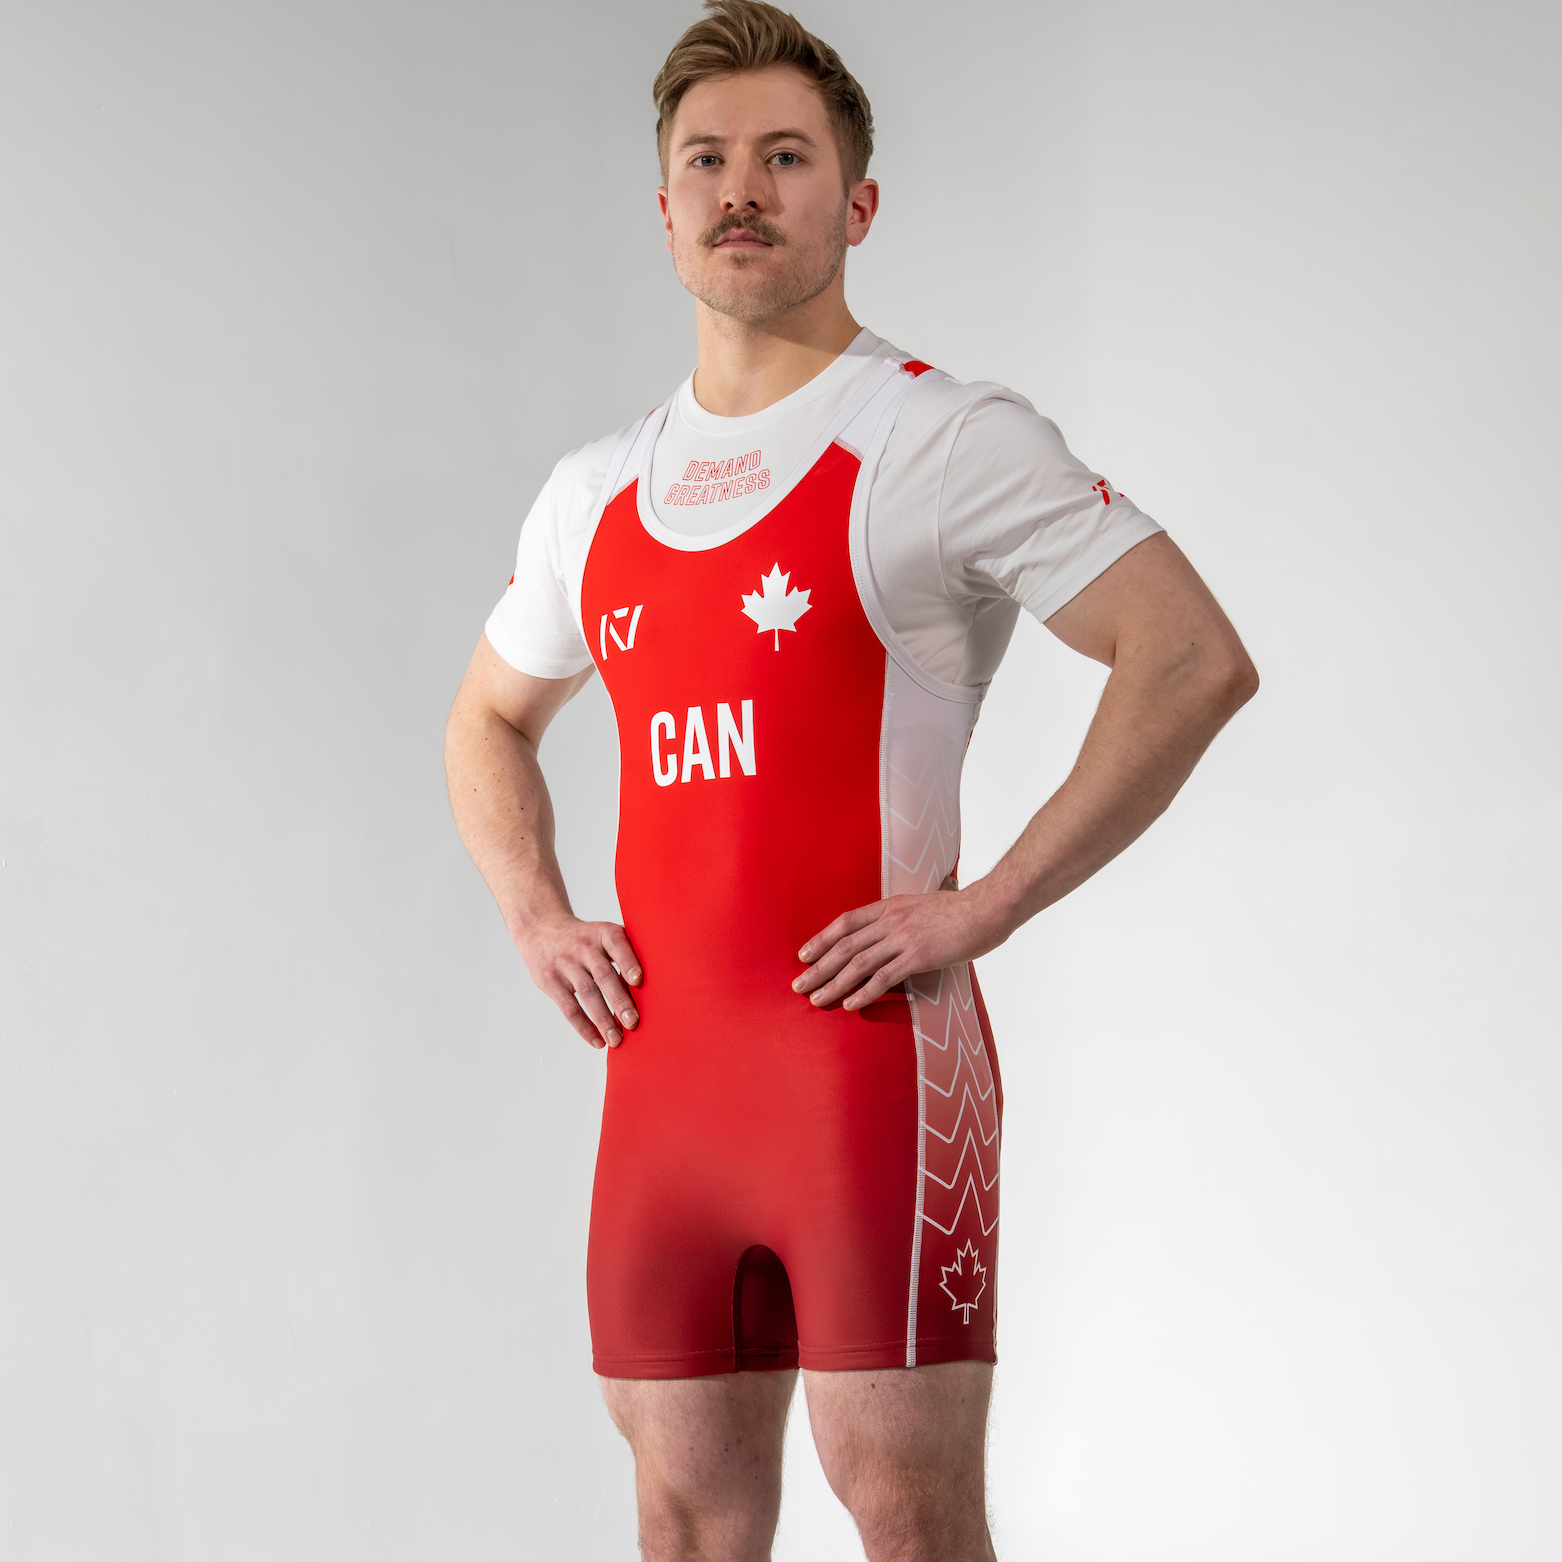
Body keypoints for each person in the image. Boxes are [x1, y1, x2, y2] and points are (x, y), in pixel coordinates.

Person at [443, 2, 1258, 1556]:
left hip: (866, 1075)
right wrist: (540, 917)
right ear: (664, 205)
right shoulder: (592, 491)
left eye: (786, 157)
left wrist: (989, 904)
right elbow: (485, 718)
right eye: (707, 159)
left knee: (903, 1505)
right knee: (683, 1516)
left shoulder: (941, 438)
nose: (741, 187)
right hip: (662, 1092)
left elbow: (1189, 657)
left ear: (855, 203)